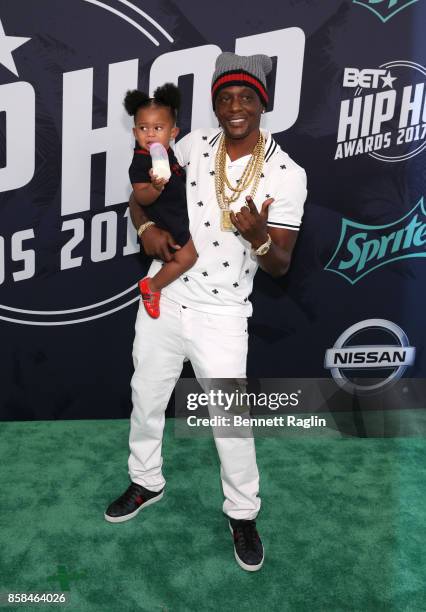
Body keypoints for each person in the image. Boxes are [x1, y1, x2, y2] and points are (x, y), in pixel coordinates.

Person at [105, 52, 307, 572]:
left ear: (262, 103)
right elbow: (140, 197)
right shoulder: (191, 145)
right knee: (145, 397)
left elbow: (281, 265)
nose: (235, 106)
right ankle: (146, 481)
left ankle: (242, 512)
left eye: (245, 97)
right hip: (164, 296)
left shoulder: (287, 173)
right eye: (225, 97)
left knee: (230, 422)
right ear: (215, 104)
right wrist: (145, 228)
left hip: (222, 313)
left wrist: (258, 235)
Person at [124, 83, 197, 318]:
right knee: (187, 257)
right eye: (143, 128)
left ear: (173, 133)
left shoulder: (166, 152)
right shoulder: (140, 162)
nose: (150, 134)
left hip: (179, 209)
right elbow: (140, 196)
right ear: (135, 133)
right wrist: (155, 188)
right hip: (167, 216)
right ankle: (152, 286)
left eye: (158, 127)